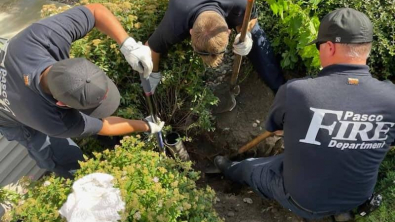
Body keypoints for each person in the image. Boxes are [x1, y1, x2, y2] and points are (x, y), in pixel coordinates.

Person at [214, 8, 395, 220]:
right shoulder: (391, 98)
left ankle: (229, 169)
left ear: (329, 46)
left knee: (251, 167)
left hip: (302, 199)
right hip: (356, 197)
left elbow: (276, 129)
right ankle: (339, 212)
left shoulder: (298, 92)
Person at [0, 4, 163, 179]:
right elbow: (104, 126)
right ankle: (79, 180)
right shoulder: (55, 122)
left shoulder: (42, 38)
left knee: (89, 116)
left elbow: (94, 11)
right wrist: (145, 126)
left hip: (19, 78)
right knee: (65, 159)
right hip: (11, 118)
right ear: (62, 104)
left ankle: (110, 144)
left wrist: (128, 45)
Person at [146, 0, 285, 93]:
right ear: (191, 32)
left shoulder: (241, 3)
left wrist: (246, 33)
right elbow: (151, 49)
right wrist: (152, 75)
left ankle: (280, 89)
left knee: (256, 35)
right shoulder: (176, 21)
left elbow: (252, 17)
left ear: (229, 31)